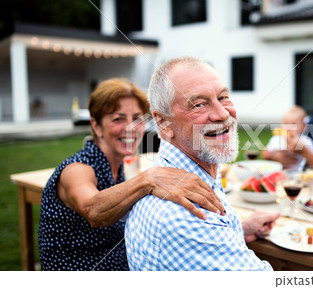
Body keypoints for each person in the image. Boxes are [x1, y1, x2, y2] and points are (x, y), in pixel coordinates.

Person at [125, 57, 313, 271]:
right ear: (163, 122)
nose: (222, 113)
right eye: (198, 104)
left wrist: (239, 230)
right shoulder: (183, 214)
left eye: (223, 97)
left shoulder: (189, 173)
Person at [38, 78, 225, 271]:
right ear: (96, 126)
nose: (130, 128)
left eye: (137, 119)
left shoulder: (117, 166)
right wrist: (148, 179)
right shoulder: (77, 168)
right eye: (118, 119)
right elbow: (93, 211)